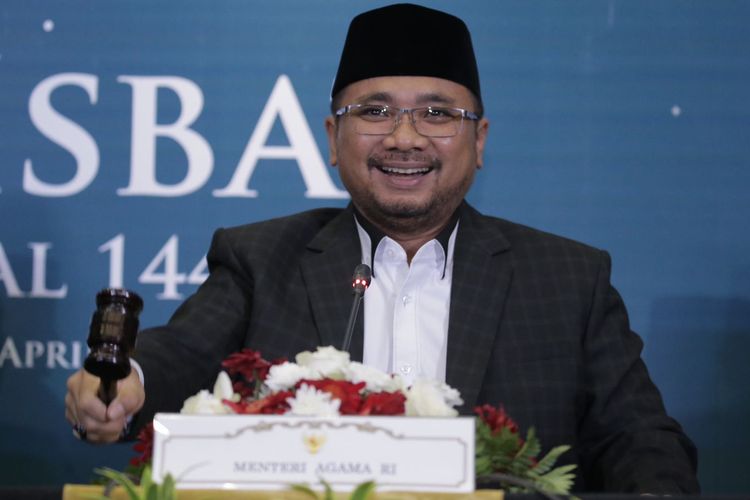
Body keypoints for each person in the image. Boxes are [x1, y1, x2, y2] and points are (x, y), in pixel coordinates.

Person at [65, 3, 699, 493]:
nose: (404, 137)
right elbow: (183, 353)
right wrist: (126, 382)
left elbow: (640, 440)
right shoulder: (262, 257)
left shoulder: (566, 278)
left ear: (479, 141)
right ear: (332, 138)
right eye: (374, 111)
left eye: (437, 114)